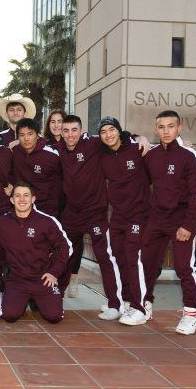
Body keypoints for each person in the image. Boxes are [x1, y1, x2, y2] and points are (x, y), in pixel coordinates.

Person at [140, 110, 196, 334]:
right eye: (161, 127)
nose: (165, 131)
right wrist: (138, 138)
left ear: (179, 128)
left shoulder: (189, 155)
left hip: (180, 221)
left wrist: (188, 225)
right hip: (156, 219)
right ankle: (144, 305)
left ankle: (191, 312)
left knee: (184, 268)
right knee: (147, 264)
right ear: (156, 129)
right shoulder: (152, 155)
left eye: (170, 126)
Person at [58, 115, 123, 301]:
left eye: (74, 130)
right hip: (72, 213)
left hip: (95, 212)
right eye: (66, 131)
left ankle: (115, 303)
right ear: (61, 133)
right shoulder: (58, 149)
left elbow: (117, 138)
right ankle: (56, 295)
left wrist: (139, 138)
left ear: (81, 131)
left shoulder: (93, 144)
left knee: (104, 256)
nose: (70, 135)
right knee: (66, 252)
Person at [98, 117, 150, 324]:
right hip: (118, 215)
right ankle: (126, 302)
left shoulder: (137, 149)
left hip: (138, 214)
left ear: (120, 131)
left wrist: (141, 137)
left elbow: (163, 153)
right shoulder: (102, 155)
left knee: (132, 258)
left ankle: (140, 308)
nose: (108, 134)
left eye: (112, 130)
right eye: (103, 132)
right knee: (118, 257)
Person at [0, 183, 71, 324]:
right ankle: (19, 300)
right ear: (12, 200)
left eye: (26, 195)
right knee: (10, 315)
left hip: (42, 278)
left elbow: (64, 247)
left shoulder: (46, 221)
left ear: (33, 199)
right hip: (17, 279)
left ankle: (41, 300)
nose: (22, 199)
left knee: (54, 317)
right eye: (17, 196)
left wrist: (54, 272)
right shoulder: (3, 222)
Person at [11, 118, 62, 217]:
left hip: (46, 208)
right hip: (22, 206)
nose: (26, 138)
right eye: (22, 135)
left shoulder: (51, 154)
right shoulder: (14, 152)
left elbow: (60, 182)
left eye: (30, 134)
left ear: (37, 135)